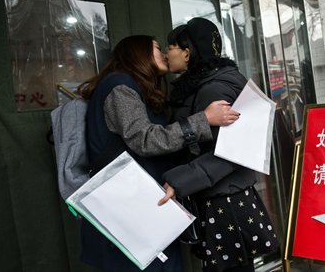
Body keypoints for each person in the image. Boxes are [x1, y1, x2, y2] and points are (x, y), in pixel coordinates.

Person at [77, 35, 240, 272]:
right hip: (129, 210)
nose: (164, 53)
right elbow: (145, 139)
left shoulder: (135, 88)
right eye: (156, 48)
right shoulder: (120, 86)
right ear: (137, 52)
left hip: (142, 207)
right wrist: (203, 119)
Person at [159, 18, 279, 272]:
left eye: (171, 46)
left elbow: (233, 153)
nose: (166, 52)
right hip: (223, 195)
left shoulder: (212, 90)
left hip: (224, 200)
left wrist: (180, 181)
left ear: (187, 52)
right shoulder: (208, 83)